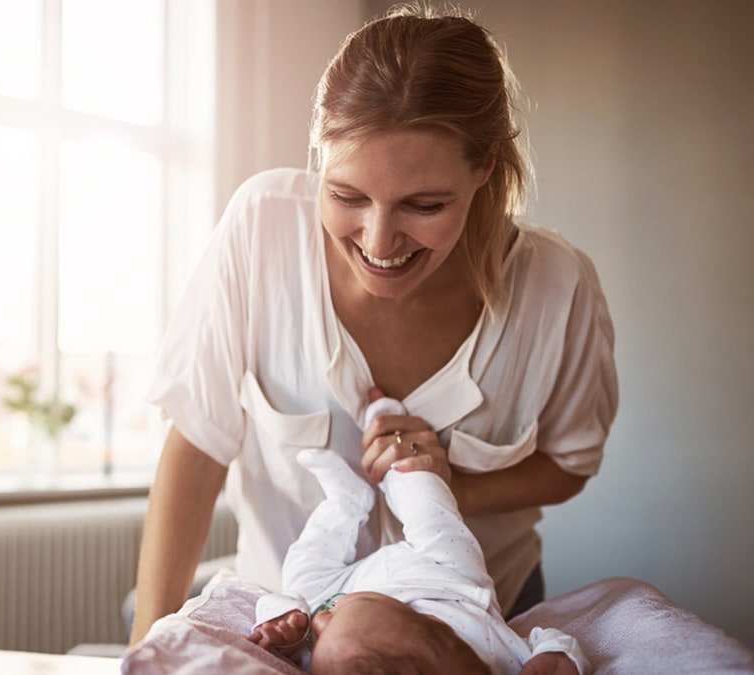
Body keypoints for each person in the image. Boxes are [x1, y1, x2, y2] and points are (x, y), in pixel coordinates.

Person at [129, 4, 618, 645]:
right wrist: (144, 650)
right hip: (284, 620)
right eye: (347, 196)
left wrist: (447, 486)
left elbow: (571, 461)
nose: (379, 242)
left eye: (424, 204)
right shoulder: (261, 228)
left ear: (486, 170)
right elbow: (196, 450)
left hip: (474, 630)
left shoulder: (559, 288)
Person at [246, 396, 587, 675]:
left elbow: (292, 634)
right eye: (331, 617)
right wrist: (558, 657)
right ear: (427, 619)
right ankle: (395, 446)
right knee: (430, 511)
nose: (320, 621)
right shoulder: (500, 655)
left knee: (298, 579)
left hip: (346, 583)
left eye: (318, 638)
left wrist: (283, 627)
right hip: (447, 580)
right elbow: (550, 641)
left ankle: (345, 503)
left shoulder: (333, 651)